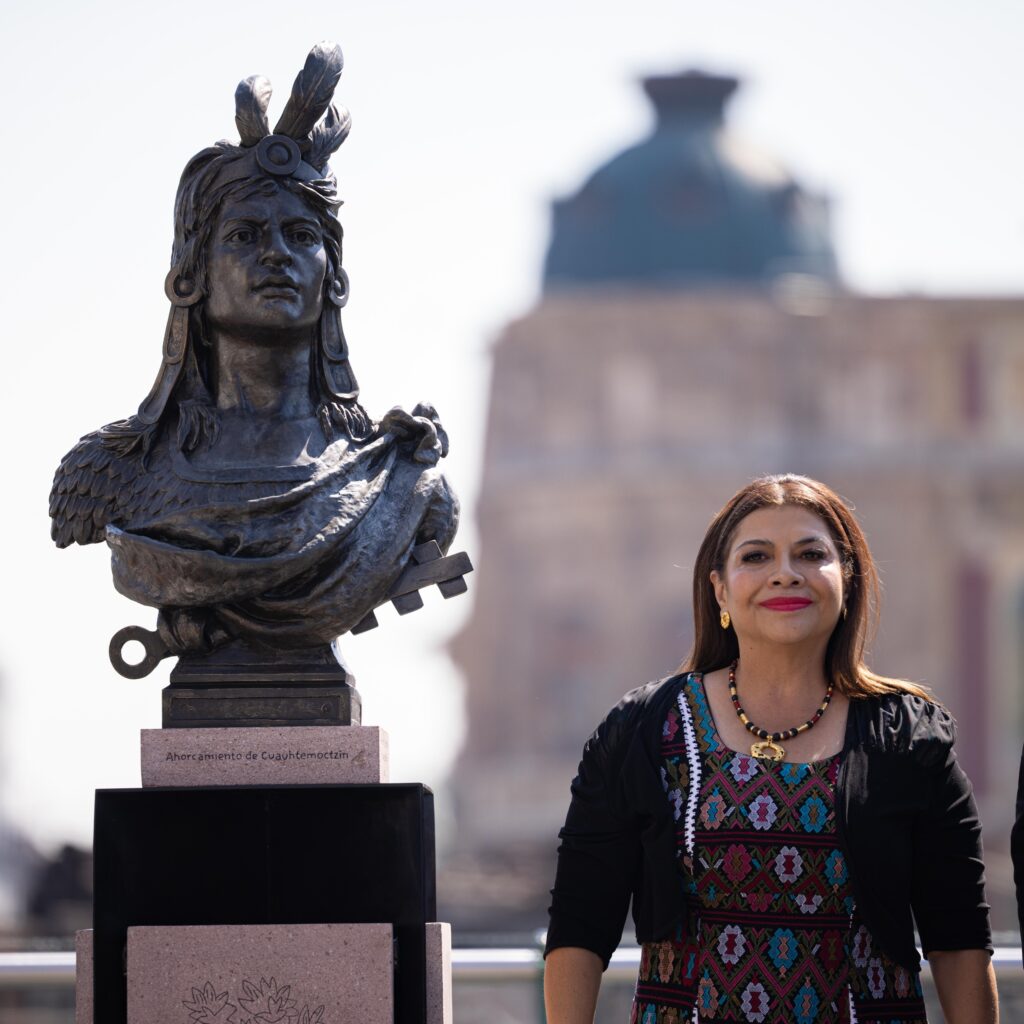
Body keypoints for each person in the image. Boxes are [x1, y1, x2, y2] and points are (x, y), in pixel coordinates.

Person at [49, 43, 458, 660]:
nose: (276, 255)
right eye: (244, 235)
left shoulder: (400, 477)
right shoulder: (114, 472)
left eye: (300, 236)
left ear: (334, 279)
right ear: (192, 277)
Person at [544, 475, 998, 1023]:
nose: (786, 573)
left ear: (847, 581)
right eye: (756, 556)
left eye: (811, 554)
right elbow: (580, 926)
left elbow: (958, 937)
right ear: (719, 589)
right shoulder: (644, 731)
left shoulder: (909, 738)